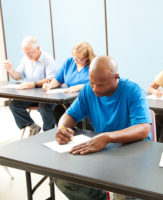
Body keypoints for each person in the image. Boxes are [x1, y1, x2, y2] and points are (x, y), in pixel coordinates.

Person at [55, 55, 151, 200]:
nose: (94, 88)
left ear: (116, 77)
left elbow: (143, 129)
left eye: (100, 85)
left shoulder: (133, 91)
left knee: (126, 194)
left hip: (133, 153)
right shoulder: (88, 90)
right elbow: (69, 116)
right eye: (92, 82)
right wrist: (62, 129)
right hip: (102, 151)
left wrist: (107, 137)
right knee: (64, 181)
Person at [2, 36, 56, 135]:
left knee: (44, 107)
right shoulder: (25, 59)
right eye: (25, 53)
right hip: (32, 95)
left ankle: (48, 133)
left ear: (38, 48)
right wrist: (10, 70)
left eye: (30, 52)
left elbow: (51, 79)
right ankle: (32, 126)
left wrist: (33, 84)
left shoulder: (48, 59)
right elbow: (18, 76)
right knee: (14, 105)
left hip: (47, 95)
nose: (28, 55)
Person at [42, 42, 96, 126]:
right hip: (67, 97)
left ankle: (82, 131)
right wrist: (50, 85)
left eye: (79, 58)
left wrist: (79, 87)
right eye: (74, 56)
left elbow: (98, 83)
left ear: (87, 58)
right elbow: (57, 80)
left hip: (87, 97)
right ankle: (62, 132)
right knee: (52, 107)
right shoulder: (69, 62)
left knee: (76, 109)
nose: (75, 60)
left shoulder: (95, 65)